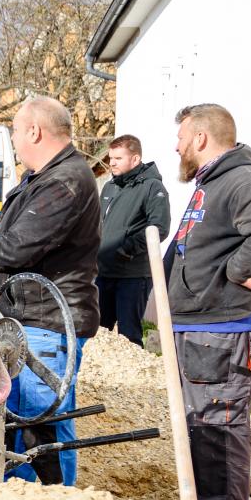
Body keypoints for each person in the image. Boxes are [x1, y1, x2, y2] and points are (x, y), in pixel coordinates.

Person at [0, 97, 100, 486]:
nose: (15, 140)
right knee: (19, 422)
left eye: (16, 131)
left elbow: (19, 247)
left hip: (47, 322)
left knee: (44, 426)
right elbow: (10, 233)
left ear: (35, 131)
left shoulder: (65, 181)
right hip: (26, 319)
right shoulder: (39, 179)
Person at [163, 103, 251, 500]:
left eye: (181, 137)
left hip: (221, 333)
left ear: (200, 138)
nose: (176, 145)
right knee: (200, 426)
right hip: (199, 329)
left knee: (219, 429)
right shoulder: (210, 184)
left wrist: (233, 274)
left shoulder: (241, 179)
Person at [95, 134, 170, 345]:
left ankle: (133, 378)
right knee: (98, 334)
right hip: (103, 273)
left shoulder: (152, 187)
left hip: (133, 275)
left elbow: (159, 228)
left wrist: (126, 249)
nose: (111, 163)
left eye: (118, 158)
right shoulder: (110, 187)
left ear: (135, 159)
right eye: (111, 158)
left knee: (129, 336)